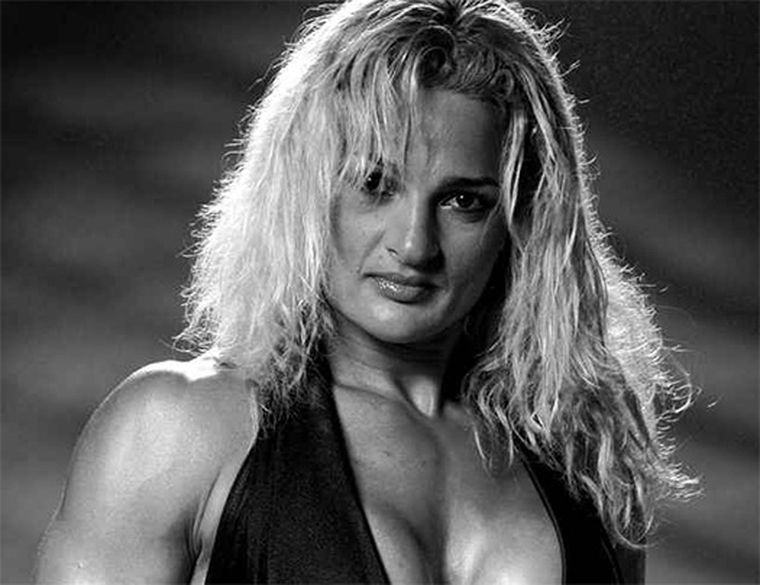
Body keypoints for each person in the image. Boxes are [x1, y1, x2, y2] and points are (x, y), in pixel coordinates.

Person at [35, 0, 695, 583]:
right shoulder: (179, 429)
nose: (414, 244)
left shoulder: (585, 454)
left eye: (463, 201)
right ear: (308, 188)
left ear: (522, 219)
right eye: (375, 184)